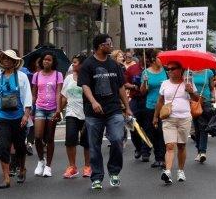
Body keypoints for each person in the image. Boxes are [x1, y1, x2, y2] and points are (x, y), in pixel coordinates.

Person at [78, 34, 132, 190]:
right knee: (94, 146)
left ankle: (114, 172)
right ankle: (97, 177)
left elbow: (121, 86)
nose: (112, 46)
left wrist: (127, 107)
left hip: (113, 109)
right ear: (101, 46)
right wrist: (93, 102)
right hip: (93, 113)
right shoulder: (88, 64)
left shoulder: (114, 65)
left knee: (117, 139)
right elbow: (85, 86)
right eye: (109, 43)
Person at [0, 50, 32, 188]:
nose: (7, 60)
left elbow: (27, 96)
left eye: (9, 58)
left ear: (15, 61)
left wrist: (26, 115)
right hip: (3, 117)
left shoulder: (22, 77)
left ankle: (22, 169)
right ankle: (6, 177)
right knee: (3, 147)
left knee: (20, 147)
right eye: (4, 58)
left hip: (19, 117)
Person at [153, 61, 198, 184]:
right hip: (168, 118)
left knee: (181, 145)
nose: (170, 71)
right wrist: (155, 117)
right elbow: (160, 101)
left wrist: (191, 91)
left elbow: (197, 99)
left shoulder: (188, 82)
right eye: (168, 69)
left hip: (185, 118)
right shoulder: (165, 84)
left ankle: (181, 170)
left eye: (173, 69)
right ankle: (167, 172)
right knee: (170, 145)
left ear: (180, 70)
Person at [58, 54, 91, 179]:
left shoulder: (89, 78)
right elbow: (64, 97)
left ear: (82, 64)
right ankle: (72, 167)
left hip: (87, 113)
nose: (73, 65)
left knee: (87, 142)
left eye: (75, 62)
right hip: (72, 113)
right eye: (72, 62)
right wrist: (58, 111)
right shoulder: (68, 79)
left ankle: (87, 166)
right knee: (70, 139)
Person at [32, 51, 63, 177]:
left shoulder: (58, 75)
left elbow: (58, 93)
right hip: (39, 107)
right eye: (44, 59)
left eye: (49, 60)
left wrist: (58, 109)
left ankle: (48, 166)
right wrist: (29, 109)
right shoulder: (36, 75)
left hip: (52, 109)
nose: (46, 61)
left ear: (53, 62)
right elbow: (34, 94)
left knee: (50, 138)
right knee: (38, 137)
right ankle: (41, 161)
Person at [140, 49, 166, 168]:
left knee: (162, 132)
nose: (162, 60)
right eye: (159, 57)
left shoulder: (166, 70)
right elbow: (143, 91)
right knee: (152, 131)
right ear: (153, 59)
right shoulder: (146, 72)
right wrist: (145, 82)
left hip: (165, 106)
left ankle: (162, 158)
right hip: (151, 105)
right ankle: (155, 156)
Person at [124, 49, 150, 162]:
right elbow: (124, 83)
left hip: (148, 100)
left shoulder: (153, 69)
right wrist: (133, 87)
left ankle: (146, 151)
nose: (147, 60)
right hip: (135, 99)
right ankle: (138, 148)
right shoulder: (131, 69)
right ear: (139, 57)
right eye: (145, 57)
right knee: (132, 125)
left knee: (147, 127)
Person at [191, 68, 215, 163]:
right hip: (193, 102)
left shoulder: (208, 72)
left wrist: (213, 97)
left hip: (206, 101)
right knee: (196, 128)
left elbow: (212, 87)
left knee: (203, 126)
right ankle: (199, 151)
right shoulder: (188, 72)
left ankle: (202, 151)